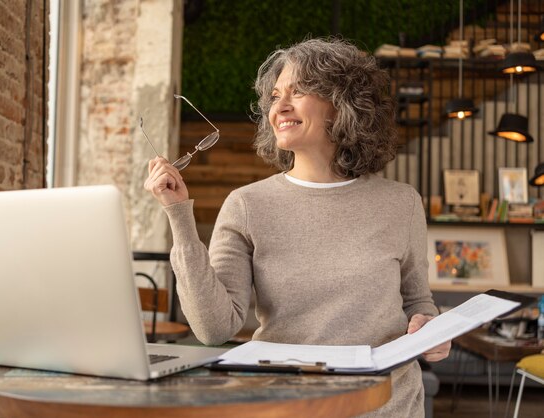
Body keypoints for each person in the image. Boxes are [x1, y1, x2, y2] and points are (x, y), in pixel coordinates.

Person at [144, 37, 450, 416]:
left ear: (342, 106)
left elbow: (418, 302)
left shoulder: (401, 203)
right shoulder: (247, 205)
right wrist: (179, 215)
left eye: (299, 91)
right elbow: (213, 328)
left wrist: (431, 330)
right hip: (287, 405)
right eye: (274, 96)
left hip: (388, 407)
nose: (280, 107)